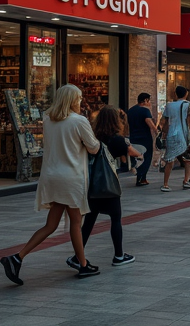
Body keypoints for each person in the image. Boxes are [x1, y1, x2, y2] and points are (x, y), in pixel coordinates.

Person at [0, 85, 101, 284]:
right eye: (79, 99)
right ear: (72, 100)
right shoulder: (79, 121)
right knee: (75, 222)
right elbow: (94, 148)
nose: (80, 102)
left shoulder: (48, 120)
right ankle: (82, 264)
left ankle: (17, 257)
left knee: (51, 224)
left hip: (51, 176)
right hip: (71, 177)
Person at [77, 106, 139, 268]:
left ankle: (79, 255)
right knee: (115, 218)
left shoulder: (93, 138)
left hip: (92, 184)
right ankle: (118, 255)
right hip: (108, 184)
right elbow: (134, 153)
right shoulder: (117, 140)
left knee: (89, 220)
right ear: (116, 121)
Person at [159, 85, 190, 192]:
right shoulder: (189, 105)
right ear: (186, 94)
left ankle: (165, 184)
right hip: (184, 135)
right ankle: (186, 181)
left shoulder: (169, 106)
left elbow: (165, 122)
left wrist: (163, 134)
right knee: (188, 159)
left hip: (172, 134)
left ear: (176, 94)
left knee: (169, 160)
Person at [126, 93, 157, 187]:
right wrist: (156, 131)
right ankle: (141, 178)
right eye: (149, 101)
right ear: (145, 100)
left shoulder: (130, 110)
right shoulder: (145, 111)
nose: (150, 103)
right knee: (147, 157)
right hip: (144, 138)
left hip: (133, 137)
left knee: (138, 157)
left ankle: (139, 176)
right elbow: (149, 122)